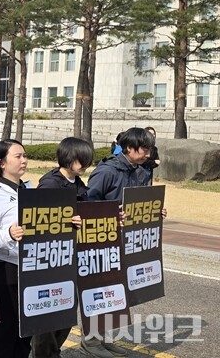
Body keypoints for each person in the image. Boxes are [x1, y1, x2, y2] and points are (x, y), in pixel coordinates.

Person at [83, 127, 158, 358]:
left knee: (115, 292)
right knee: (97, 291)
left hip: (124, 241)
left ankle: (104, 338)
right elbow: (87, 204)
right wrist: (111, 216)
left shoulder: (140, 171)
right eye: (144, 149)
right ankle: (90, 340)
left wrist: (154, 211)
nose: (148, 154)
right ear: (129, 147)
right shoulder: (107, 171)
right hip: (101, 241)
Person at [31, 137, 92, 358]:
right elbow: (37, 220)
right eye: (81, 160)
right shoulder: (50, 184)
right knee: (48, 313)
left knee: (66, 310)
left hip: (71, 257)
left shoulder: (79, 184)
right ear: (68, 158)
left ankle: (52, 351)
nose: (85, 165)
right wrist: (66, 221)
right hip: (49, 259)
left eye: (87, 160)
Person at [0, 139, 30, 358]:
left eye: (25, 156)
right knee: (6, 332)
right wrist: (8, 235)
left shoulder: (27, 189)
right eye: (18, 156)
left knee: (25, 332)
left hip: (30, 268)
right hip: (6, 270)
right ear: (1, 163)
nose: (24, 160)